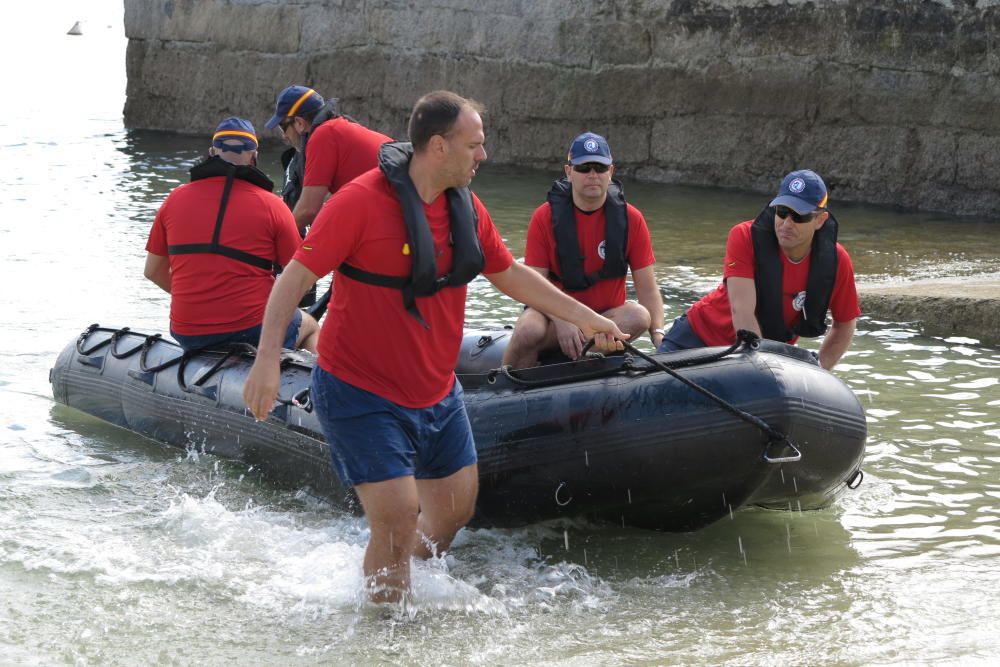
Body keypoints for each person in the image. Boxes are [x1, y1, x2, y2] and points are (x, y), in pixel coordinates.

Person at [243, 91, 627, 604]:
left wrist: (588, 317)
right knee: (400, 519)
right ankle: (385, 635)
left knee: (452, 512)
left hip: (435, 392)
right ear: (440, 147)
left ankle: (392, 579)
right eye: (476, 145)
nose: (484, 156)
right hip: (360, 389)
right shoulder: (359, 202)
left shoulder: (465, 207)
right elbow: (291, 281)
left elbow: (509, 274)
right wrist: (267, 362)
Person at [143, 117, 319, 352]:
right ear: (254, 157)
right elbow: (301, 280)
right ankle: (316, 385)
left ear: (211, 152)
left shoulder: (174, 199)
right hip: (252, 328)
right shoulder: (273, 206)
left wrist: (201, 298)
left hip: (186, 331)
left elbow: (152, 271)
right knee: (310, 325)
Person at [657, 169, 859, 370]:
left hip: (762, 357)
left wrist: (819, 371)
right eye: (781, 212)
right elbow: (742, 311)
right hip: (697, 339)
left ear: (820, 220)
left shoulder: (836, 261)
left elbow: (844, 325)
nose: (786, 223)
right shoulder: (744, 236)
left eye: (799, 216)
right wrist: (761, 371)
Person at [502, 132, 664, 369]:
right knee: (528, 330)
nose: (592, 175)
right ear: (569, 172)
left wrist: (658, 334)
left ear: (611, 172)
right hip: (552, 314)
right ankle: (507, 387)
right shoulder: (544, 217)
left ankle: (575, 365)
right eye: (584, 168)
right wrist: (563, 319)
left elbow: (648, 289)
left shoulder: (632, 219)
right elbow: (532, 286)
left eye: (599, 167)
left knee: (638, 316)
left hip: (605, 318)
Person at [264, 85, 392, 232]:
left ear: (299, 123)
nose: (284, 135)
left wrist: (274, 238)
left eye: (283, 126)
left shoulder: (322, 136)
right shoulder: (338, 128)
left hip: (393, 219)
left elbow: (308, 210)